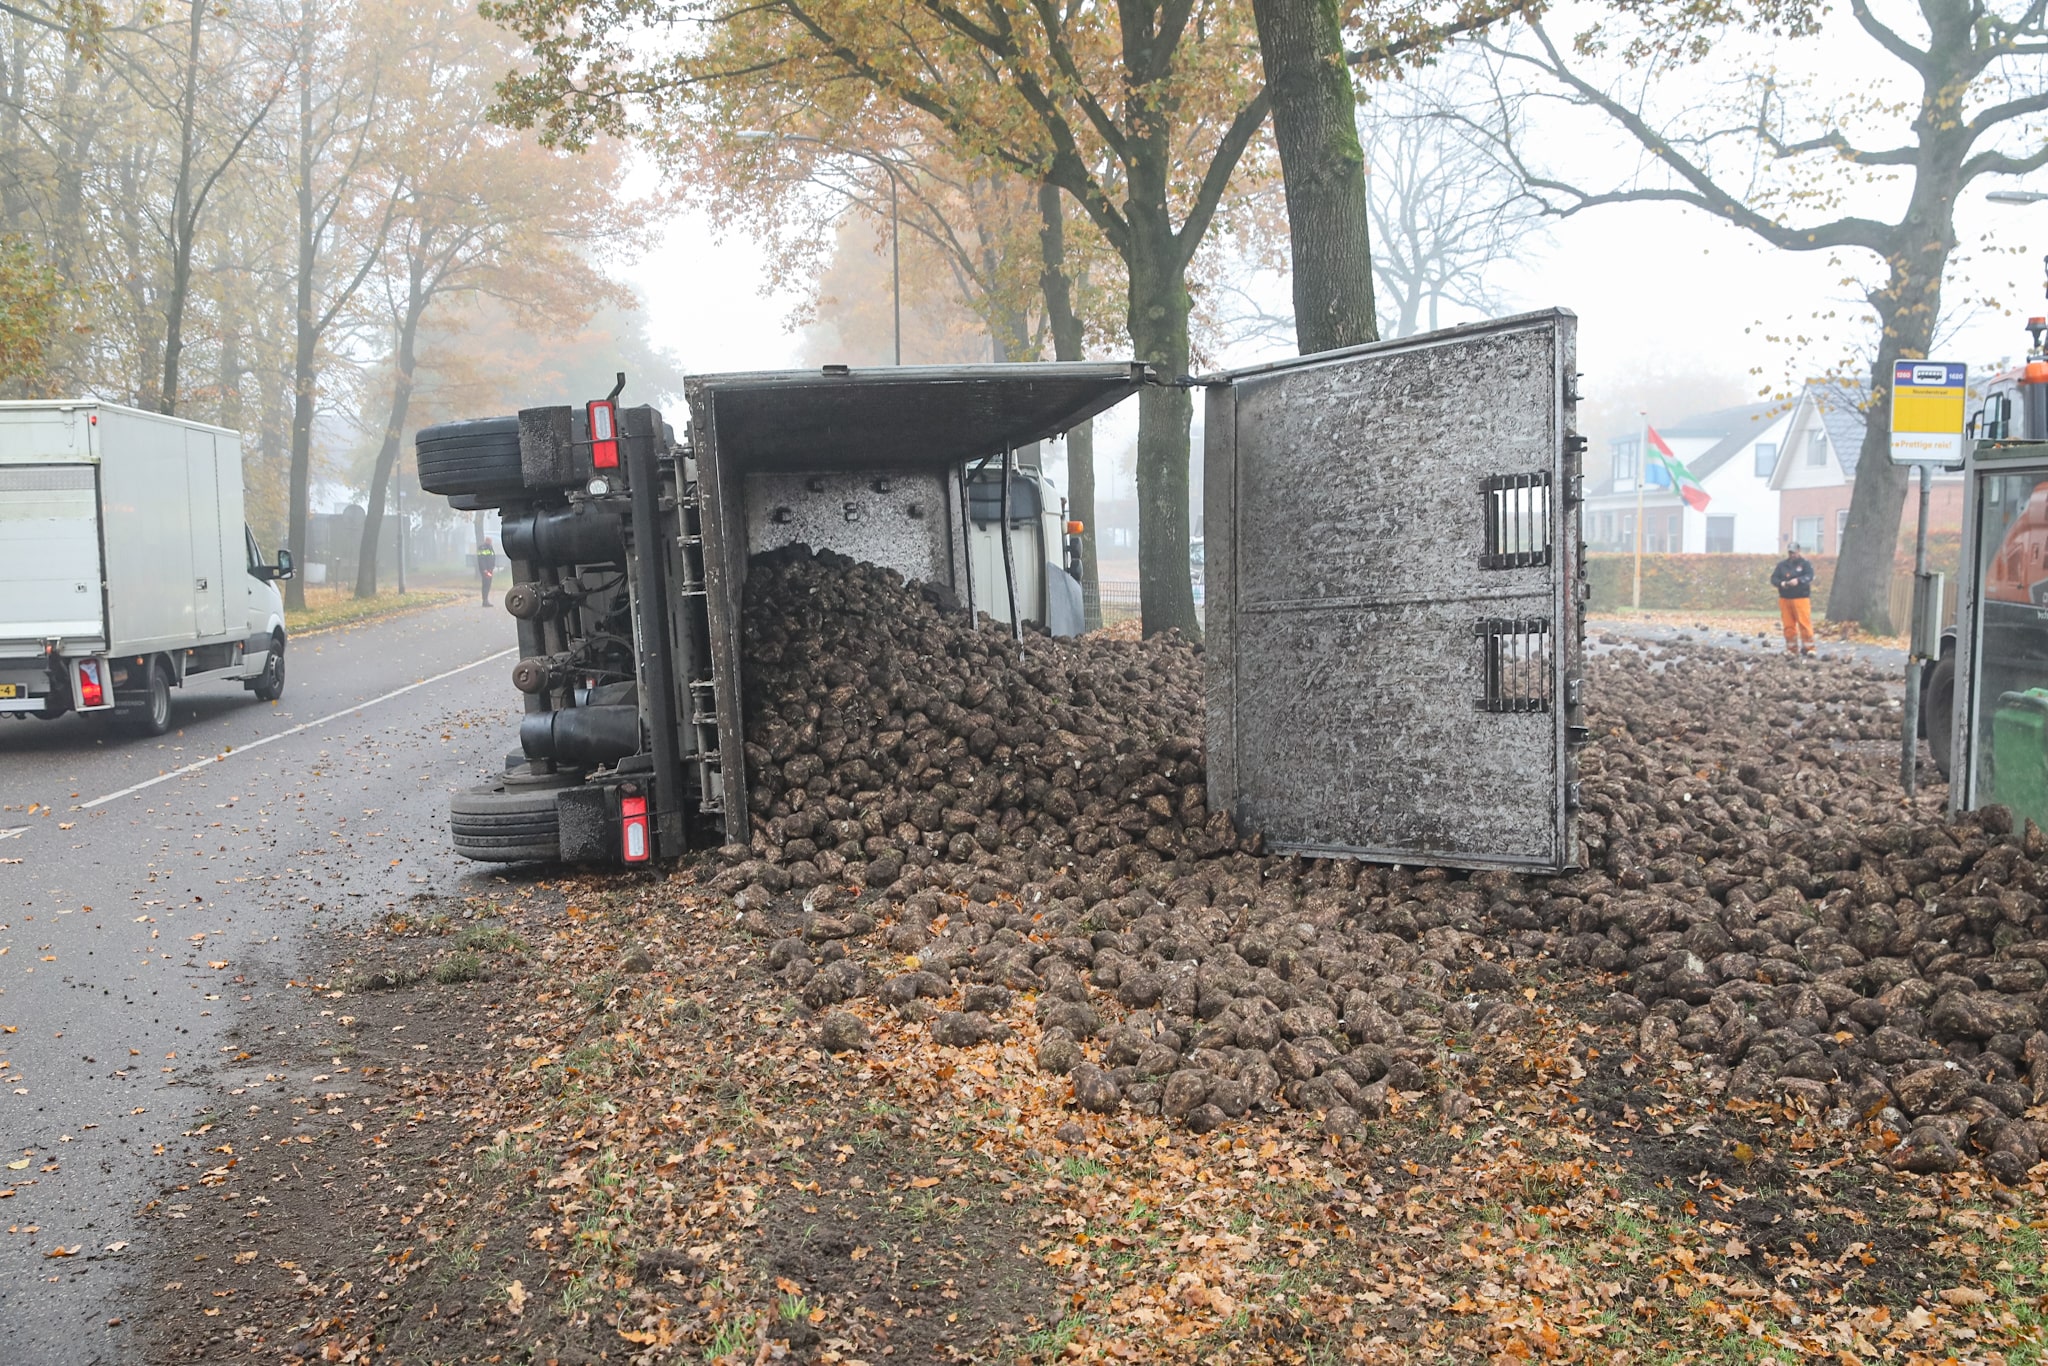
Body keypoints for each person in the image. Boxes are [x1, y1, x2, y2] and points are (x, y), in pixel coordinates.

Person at [1771, 542, 1815, 657]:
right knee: (1788, 626)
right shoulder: (1782, 565)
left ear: (1798, 551)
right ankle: (1791, 649)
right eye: (1790, 553)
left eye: (1794, 552)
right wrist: (1782, 583)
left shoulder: (1805, 564)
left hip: (1801, 598)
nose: (1792, 555)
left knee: (1804, 624)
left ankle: (1809, 648)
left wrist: (1798, 581)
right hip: (1785, 598)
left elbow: (1809, 576)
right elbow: (1774, 579)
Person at [477, 536, 497, 608]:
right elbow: (481, 559)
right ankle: (485, 601)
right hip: (486, 570)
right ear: (486, 541)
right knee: (486, 584)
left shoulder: (490, 547)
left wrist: (492, 567)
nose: (491, 542)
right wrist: (484, 569)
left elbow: (492, 557)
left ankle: (486, 600)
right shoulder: (482, 548)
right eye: (489, 541)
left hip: (490, 569)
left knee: (488, 584)